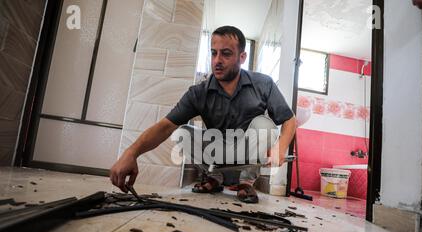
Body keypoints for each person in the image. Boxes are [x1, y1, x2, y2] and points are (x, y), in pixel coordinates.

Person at [110, 26, 296, 203]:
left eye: (226, 53)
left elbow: (289, 119)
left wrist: (280, 147)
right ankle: (214, 178)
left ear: (242, 57)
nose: (217, 60)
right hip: (216, 157)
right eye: (214, 53)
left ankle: (245, 183)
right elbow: (165, 126)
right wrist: (131, 153)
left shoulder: (263, 84)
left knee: (265, 124)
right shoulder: (198, 93)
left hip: (248, 160)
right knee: (184, 132)